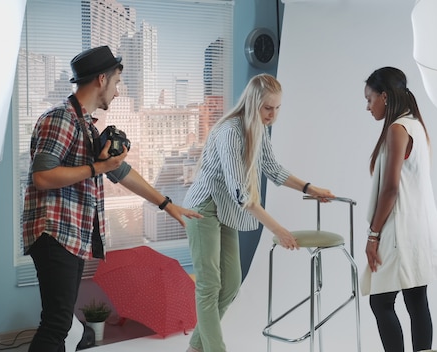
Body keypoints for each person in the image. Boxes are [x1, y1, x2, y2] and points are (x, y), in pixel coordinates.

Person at [22, 45, 202, 352]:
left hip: (72, 235)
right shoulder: (61, 119)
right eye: (117, 83)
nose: (118, 92)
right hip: (54, 232)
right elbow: (43, 176)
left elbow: (121, 172)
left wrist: (167, 205)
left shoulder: (87, 125)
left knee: (62, 323)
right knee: (56, 323)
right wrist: (98, 167)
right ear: (102, 80)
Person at [183, 73, 335, 352]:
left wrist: (309, 188)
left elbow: (272, 169)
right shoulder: (231, 131)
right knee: (209, 285)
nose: (273, 115)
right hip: (203, 207)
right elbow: (243, 194)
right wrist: (279, 230)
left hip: (225, 209)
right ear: (253, 103)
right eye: (268, 108)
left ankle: (195, 348)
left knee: (230, 285)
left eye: (277, 108)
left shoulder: (258, 128)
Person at [360, 67, 437, 352]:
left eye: (370, 99)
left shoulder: (397, 129)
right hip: (420, 227)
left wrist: (373, 234)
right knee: (416, 301)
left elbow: (390, 188)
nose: (368, 106)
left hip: (401, 231)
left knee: (380, 301)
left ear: (385, 97)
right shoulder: (416, 125)